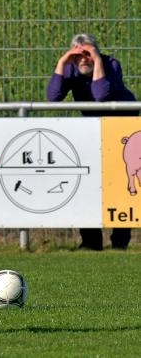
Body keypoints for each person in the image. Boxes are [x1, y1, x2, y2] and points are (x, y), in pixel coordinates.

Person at [47, 33, 137, 250]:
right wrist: (63, 61)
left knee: (120, 184)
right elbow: (53, 96)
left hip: (121, 127)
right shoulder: (71, 65)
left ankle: (120, 242)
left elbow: (101, 95)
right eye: (78, 55)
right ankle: (91, 241)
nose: (83, 59)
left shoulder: (111, 64)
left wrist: (97, 59)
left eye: (87, 53)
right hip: (93, 131)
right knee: (84, 183)